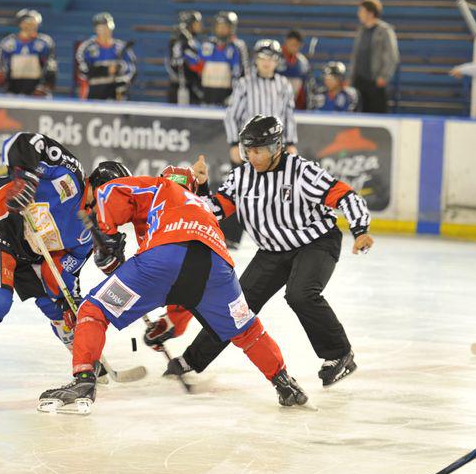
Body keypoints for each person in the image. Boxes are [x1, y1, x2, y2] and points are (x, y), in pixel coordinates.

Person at [37, 168, 309, 414]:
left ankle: (84, 381)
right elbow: (188, 284)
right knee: (247, 330)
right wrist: (168, 324)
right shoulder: (201, 206)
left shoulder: (159, 187)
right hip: (216, 268)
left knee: (94, 309)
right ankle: (284, 382)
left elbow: (111, 190)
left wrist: (107, 237)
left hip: (162, 259)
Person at [147, 115, 374, 388]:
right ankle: (192, 360)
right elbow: (213, 211)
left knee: (301, 294)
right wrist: (202, 186)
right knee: (235, 308)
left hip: (316, 242)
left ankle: (339, 354)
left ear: (276, 147)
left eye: (258, 151)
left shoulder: (301, 171)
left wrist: (360, 230)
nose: (252, 157)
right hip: (272, 251)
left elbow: (345, 195)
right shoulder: (241, 177)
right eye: (248, 150)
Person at [0, 132, 129, 392]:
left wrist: (67, 300)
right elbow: (23, 142)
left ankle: (86, 362)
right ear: (102, 188)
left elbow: (61, 271)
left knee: (63, 310)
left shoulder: (90, 230)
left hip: (32, 250)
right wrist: (25, 178)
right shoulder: (69, 174)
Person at [223, 39, 299, 249]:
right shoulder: (245, 83)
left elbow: (289, 116)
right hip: (249, 147)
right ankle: (229, 236)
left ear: (277, 61)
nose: (267, 62)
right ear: (256, 59)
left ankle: (278, 235)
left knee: (278, 192)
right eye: (263, 57)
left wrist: (291, 142)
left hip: (274, 148)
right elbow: (231, 115)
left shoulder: (283, 85)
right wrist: (233, 143)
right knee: (239, 190)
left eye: (271, 58)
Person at [347, 0, 399, 114]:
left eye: (361, 11)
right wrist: (350, 77)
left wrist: (384, 76)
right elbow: (355, 55)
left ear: (370, 13)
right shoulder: (361, 30)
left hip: (375, 82)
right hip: (359, 81)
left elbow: (392, 55)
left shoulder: (385, 31)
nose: (359, 14)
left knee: (377, 114)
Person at [0, 9, 57, 97]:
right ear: (20, 24)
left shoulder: (45, 43)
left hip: (37, 90)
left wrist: (45, 87)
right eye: (27, 22)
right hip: (13, 88)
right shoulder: (8, 43)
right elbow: (0, 67)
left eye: (33, 23)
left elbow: (51, 67)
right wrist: (2, 80)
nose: (30, 25)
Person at [75, 12, 137, 101]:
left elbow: (132, 70)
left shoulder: (121, 47)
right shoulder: (87, 47)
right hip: (94, 92)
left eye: (107, 27)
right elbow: (82, 70)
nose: (105, 30)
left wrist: (120, 69)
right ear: (96, 29)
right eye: (101, 27)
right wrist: (106, 69)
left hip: (117, 94)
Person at [199, 11, 248, 106]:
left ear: (232, 28)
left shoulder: (237, 46)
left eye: (225, 27)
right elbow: (199, 67)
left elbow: (241, 72)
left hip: (227, 93)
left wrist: (235, 93)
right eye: (219, 26)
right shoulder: (207, 45)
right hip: (207, 93)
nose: (221, 29)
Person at [166, 10, 204, 105]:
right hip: (182, 87)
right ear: (189, 24)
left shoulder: (192, 41)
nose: (199, 25)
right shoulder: (179, 41)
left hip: (192, 86)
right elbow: (176, 63)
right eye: (196, 23)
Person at [277, 29, 310, 109]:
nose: (294, 47)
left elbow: (304, 88)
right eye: (292, 44)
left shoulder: (303, 62)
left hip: (294, 103)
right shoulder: (275, 58)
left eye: (297, 45)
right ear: (286, 41)